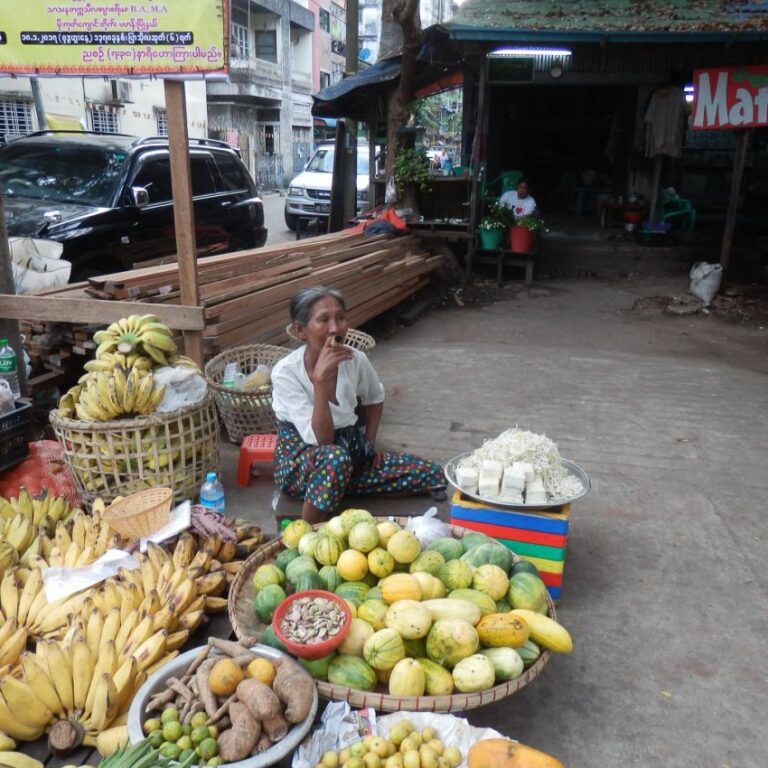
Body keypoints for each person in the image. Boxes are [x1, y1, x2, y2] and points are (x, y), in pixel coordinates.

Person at [271, 286, 447, 523]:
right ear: (300, 330)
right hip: (303, 459)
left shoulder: (355, 360)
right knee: (334, 460)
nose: (335, 328)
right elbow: (322, 440)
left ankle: (342, 484)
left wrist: (370, 444)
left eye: (340, 318)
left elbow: (375, 397)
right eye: (324, 320)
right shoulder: (286, 372)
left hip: (351, 451)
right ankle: (306, 534)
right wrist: (320, 381)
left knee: (432, 474)